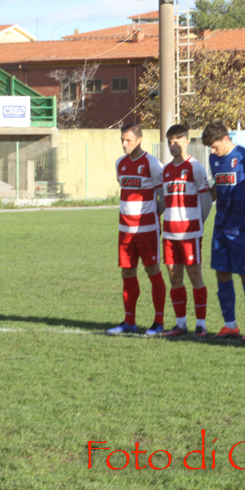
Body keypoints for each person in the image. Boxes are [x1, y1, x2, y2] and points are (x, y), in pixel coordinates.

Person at [203, 122, 245, 341]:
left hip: (244, 228)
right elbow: (217, 188)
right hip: (221, 226)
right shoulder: (214, 159)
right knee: (221, 273)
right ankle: (230, 325)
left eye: (214, 146)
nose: (212, 151)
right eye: (210, 148)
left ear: (225, 139)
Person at [107, 124, 167, 336]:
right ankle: (129, 321)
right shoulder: (120, 163)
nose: (124, 144)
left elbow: (163, 197)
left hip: (147, 229)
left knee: (152, 271)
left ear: (139, 140)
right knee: (127, 272)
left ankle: (158, 322)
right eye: (122, 140)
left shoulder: (153, 164)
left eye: (128, 140)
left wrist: (153, 217)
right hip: (125, 229)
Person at [159, 125, 212, 338]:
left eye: (177, 141)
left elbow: (206, 200)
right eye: (170, 142)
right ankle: (180, 324)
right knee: (174, 278)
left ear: (187, 141)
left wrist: (197, 224)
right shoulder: (166, 170)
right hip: (169, 233)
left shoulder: (195, 167)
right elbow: (164, 200)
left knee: (195, 276)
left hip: (190, 234)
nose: (173, 145)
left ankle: (201, 325)